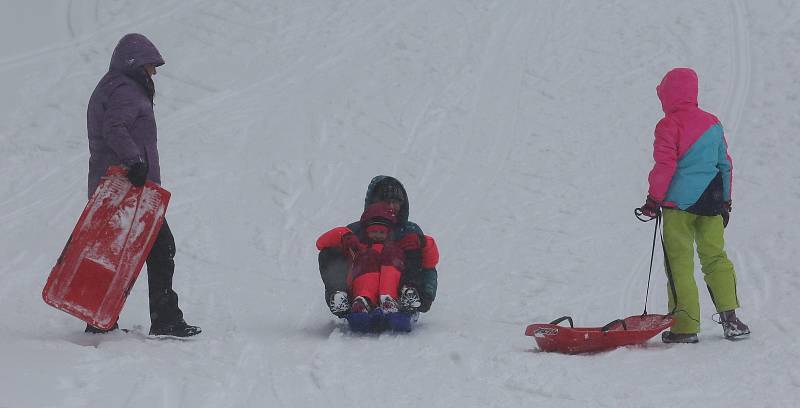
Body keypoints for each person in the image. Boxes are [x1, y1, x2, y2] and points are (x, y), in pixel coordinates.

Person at [85, 33, 200, 337]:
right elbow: (114, 127)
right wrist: (135, 161)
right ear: (135, 64)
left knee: (117, 250)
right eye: (151, 65)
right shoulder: (125, 90)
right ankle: (163, 319)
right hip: (127, 185)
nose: (154, 72)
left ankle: (100, 320)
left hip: (121, 185)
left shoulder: (118, 86)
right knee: (158, 248)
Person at [638, 67, 749, 343]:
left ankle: (685, 327)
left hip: (678, 207)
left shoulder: (668, 125)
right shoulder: (712, 123)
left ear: (668, 95)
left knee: (679, 264)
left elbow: (665, 165)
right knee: (715, 258)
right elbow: (725, 165)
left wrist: (653, 200)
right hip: (712, 204)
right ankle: (731, 319)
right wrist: (726, 201)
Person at [316, 176, 439, 317]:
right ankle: (340, 297)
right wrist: (343, 237)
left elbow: (429, 265)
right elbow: (322, 245)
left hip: (398, 288)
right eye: (387, 202)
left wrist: (427, 295)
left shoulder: (409, 230)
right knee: (332, 250)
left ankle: (409, 293)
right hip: (359, 289)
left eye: (396, 202)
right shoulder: (356, 230)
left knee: (414, 251)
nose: (392, 207)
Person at [319, 202, 406, 313]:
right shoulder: (360, 247)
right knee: (368, 257)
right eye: (373, 231)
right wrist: (344, 235)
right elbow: (321, 243)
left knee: (392, 255)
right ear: (366, 231)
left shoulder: (394, 248)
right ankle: (364, 300)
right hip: (360, 290)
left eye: (381, 232)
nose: (377, 235)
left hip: (391, 291)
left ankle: (388, 299)